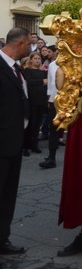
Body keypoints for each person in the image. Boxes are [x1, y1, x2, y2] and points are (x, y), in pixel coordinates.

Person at [0, 27, 31, 255]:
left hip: (14, 143)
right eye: (29, 44)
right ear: (19, 44)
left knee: (8, 196)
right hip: (2, 144)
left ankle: (2, 240)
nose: (30, 49)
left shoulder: (16, 69)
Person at [39, 51, 63, 169]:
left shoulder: (74, 63)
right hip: (54, 100)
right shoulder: (53, 65)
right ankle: (51, 157)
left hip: (71, 100)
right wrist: (49, 99)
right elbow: (50, 85)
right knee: (53, 128)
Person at [22, 51, 48, 154]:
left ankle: (34, 144)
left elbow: (46, 85)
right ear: (31, 60)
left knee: (38, 124)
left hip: (41, 100)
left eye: (39, 59)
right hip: (31, 101)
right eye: (35, 58)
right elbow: (29, 83)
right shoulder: (27, 71)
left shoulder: (43, 72)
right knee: (30, 124)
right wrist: (42, 82)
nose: (37, 60)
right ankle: (26, 146)